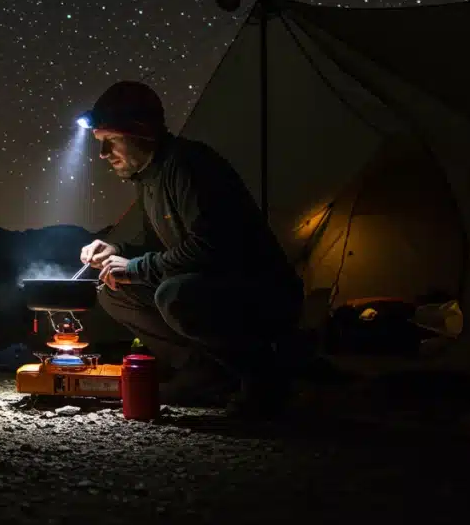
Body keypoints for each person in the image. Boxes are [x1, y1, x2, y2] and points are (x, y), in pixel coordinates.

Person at [78, 80, 304, 418]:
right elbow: (159, 245)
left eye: (110, 141)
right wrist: (116, 249)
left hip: (260, 293)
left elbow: (212, 247)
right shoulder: (150, 179)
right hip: (213, 287)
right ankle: (205, 373)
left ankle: (264, 381)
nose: (103, 154)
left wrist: (137, 267)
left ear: (141, 132)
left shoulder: (189, 165)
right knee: (114, 289)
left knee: (176, 294)